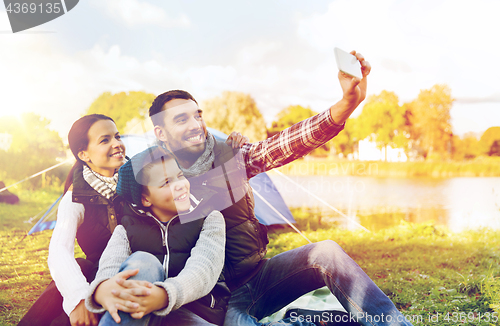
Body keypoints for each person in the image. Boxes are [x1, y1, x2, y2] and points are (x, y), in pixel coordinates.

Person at [144, 51, 414, 325]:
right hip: (215, 300)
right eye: (181, 120)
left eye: (197, 116)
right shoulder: (150, 181)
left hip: (260, 278)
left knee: (326, 252)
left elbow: (289, 143)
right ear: (160, 133)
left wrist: (347, 104)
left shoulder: (233, 155)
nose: (195, 125)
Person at [17, 114, 247, 326]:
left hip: (149, 267)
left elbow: (184, 171)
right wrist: (78, 298)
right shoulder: (76, 197)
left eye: (117, 136)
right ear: (84, 154)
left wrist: (226, 149)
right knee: (79, 269)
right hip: (106, 274)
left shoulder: (138, 175)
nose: (116, 143)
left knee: (142, 269)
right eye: (104, 140)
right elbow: (59, 250)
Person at [85, 146, 227, 326]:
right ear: (145, 199)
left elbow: (204, 269)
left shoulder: (209, 218)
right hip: (141, 313)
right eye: (166, 182)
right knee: (143, 262)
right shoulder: (126, 229)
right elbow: (111, 265)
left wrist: (164, 296)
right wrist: (102, 288)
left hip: (196, 310)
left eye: (180, 175)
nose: (180, 184)